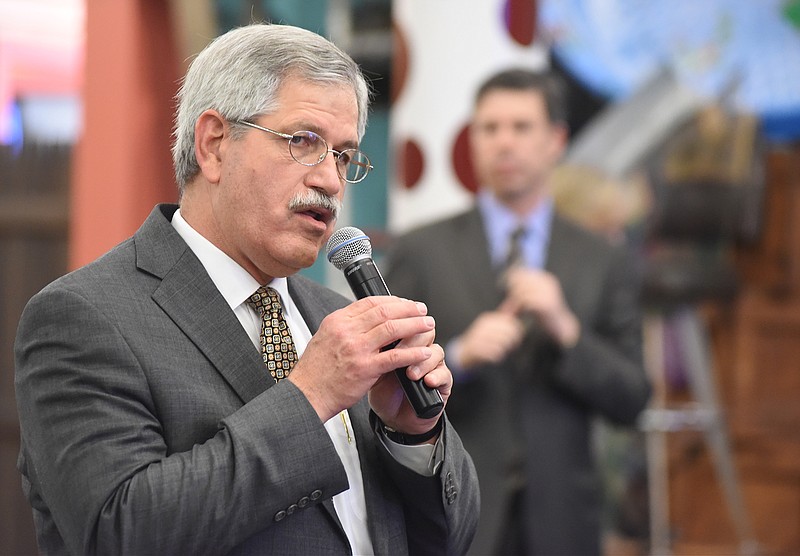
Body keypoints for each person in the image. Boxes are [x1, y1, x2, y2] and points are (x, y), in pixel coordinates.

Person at [14, 23, 479, 555]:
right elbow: (121, 532)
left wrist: (411, 437)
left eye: (344, 156)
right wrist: (311, 397)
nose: (330, 179)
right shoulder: (85, 317)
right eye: (304, 142)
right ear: (213, 144)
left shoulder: (334, 321)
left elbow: (455, 537)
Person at [384, 68, 651, 556]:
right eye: (489, 128)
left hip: (564, 521)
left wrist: (567, 331)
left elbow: (632, 398)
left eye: (521, 127)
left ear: (556, 140)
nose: (503, 143)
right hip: (453, 512)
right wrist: (458, 356)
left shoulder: (601, 258)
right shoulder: (421, 249)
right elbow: (382, 386)